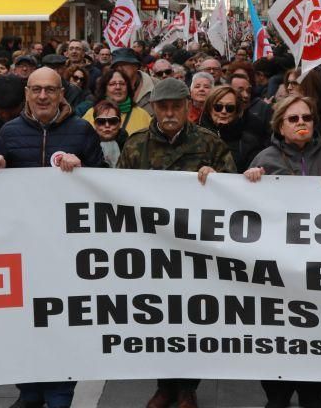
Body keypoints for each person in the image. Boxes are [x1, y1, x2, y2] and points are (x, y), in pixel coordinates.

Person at [0, 67, 105, 408]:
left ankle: (60, 392)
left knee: (63, 320)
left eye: (50, 90)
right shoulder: (9, 132)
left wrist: (84, 169)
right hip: (23, 246)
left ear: (62, 92)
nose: (42, 96)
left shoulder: (81, 131)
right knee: (25, 321)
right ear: (26, 94)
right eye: (36, 89)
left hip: (68, 248)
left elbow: (105, 182)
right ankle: (29, 390)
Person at [117, 77, 236, 408]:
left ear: (188, 108)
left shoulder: (209, 143)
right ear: (153, 108)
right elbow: (115, 191)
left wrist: (217, 178)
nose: (169, 113)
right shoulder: (135, 145)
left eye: (176, 107)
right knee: (158, 318)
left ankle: (187, 387)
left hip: (196, 251)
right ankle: (164, 385)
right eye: (163, 107)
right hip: (152, 249)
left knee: (192, 318)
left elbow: (233, 190)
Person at [243, 94, 321, 408]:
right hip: (276, 269)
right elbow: (242, 212)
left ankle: (315, 395)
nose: (302, 123)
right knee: (277, 335)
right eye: (294, 119)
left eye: (307, 118)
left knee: (315, 333)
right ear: (280, 126)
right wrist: (249, 181)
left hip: (317, 268)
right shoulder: (264, 158)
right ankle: (277, 396)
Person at [199, 86, 265, 173]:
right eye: (218, 107)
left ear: (236, 111)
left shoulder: (249, 142)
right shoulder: (194, 137)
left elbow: (259, 167)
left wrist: (255, 171)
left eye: (230, 108)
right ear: (209, 108)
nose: (223, 111)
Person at [81, 68, 151, 135]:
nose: (118, 87)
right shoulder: (91, 114)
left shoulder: (143, 115)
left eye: (122, 84)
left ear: (128, 88)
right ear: (104, 89)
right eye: (112, 84)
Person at [112, 48, 156, 115]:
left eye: (124, 64)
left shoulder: (156, 85)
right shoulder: (109, 89)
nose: (119, 68)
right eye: (116, 66)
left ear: (136, 66)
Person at [90, 100, 127, 167]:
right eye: (101, 121)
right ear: (95, 124)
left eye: (112, 121)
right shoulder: (85, 147)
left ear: (119, 123)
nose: (107, 125)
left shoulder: (130, 146)